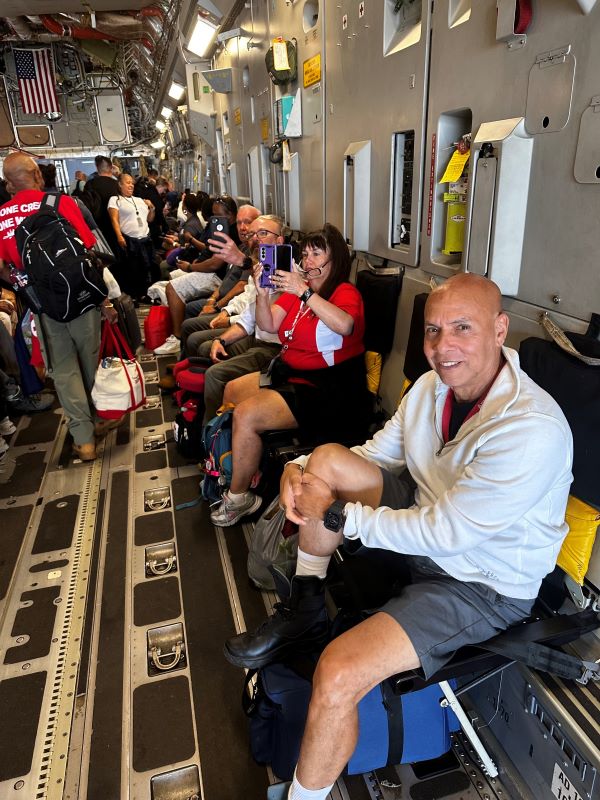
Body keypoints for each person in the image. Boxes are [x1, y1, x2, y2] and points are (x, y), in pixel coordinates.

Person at [223, 273, 574, 800]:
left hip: (480, 580)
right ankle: (306, 609)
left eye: (462, 328)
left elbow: (447, 533)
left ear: (500, 330)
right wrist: (300, 469)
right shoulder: (434, 387)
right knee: (325, 460)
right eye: (433, 330)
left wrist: (339, 514)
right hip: (428, 522)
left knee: (337, 674)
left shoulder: (531, 428)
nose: (442, 346)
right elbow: (375, 454)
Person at [209, 223, 368, 527]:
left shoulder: (344, 293)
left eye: (315, 254)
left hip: (329, 390)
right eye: (305, 255)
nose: (307, 262)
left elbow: (345, 325)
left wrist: (304, 291)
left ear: (334, 260)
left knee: (247, 414)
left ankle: (240, 497)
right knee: (230, 390)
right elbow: (268, 325)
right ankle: (238, 468)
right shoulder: (296, 293)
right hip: (293, 376)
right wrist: (261, 292)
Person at [0, 153, 119, 462]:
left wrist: (22, 282)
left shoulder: (2, 217)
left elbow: (2, 268)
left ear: (8, 184)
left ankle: (84, 439)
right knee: (90, 359)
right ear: (38, 177)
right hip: (80, 299)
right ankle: (102, 418)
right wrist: (104, 300)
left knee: (64, 371)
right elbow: (89, 254)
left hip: (44, 306)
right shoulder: (61, 204)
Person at [154, 196, 244, 355]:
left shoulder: (232, 236)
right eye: (213, 215)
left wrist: (191, 267)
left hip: (215, 276)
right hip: (212, 273)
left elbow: (215, 264)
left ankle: (177, 337)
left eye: (219, 216)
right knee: (172, 279)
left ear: (231, 216)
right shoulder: (218, 230)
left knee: (172, 288)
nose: (214, 219)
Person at [107, 173, 157, 301]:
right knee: (133, 269)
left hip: (145, 238)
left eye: (132, 183)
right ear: (120, 184)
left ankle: (146, 294)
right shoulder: (115, 200)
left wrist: (151, 208)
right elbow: (114, 219)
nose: (131, 185)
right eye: (127, 182)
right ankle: (134, 296)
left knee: (147, 267)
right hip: (130, 240)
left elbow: (150, 220)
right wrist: (119, 236)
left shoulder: (140, 200)